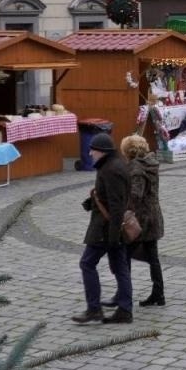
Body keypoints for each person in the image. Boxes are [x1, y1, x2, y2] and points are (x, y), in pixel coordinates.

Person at [73, 132, 134, 324]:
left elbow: (116, 205)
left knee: (87, 263)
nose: (90, 153)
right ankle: (124, 309)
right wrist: (92, 202)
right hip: (112, 228)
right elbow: (112, 198)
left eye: (93, 150)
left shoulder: (111, 170)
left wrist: (113, 236)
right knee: (120, 267)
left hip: (106, 229)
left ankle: (94, 309)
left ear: (102, 152)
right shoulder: (114, 165)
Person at [120, 134, 166, 308]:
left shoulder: (136, 169)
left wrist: (123, 207)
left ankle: (125, 296)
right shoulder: (151, 164)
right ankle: (158, 293)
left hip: (140, 219)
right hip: (154, 216)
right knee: (153, 257)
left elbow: (135, 196)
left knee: (125, 255)